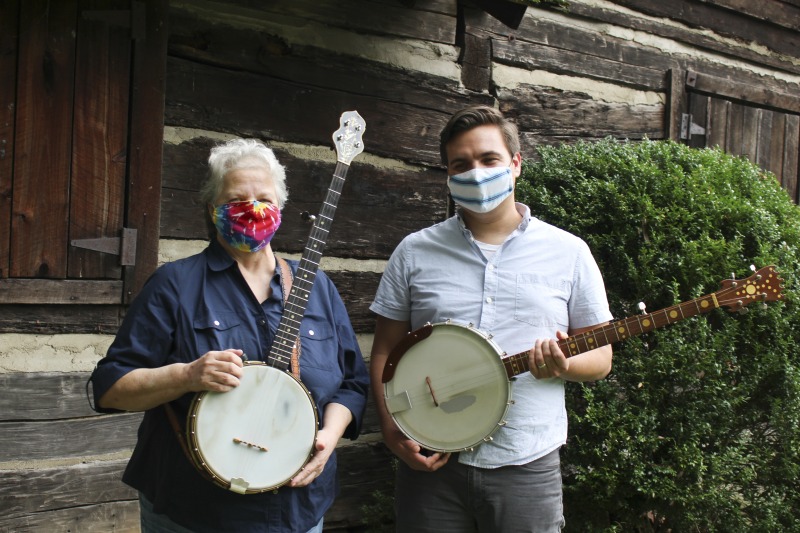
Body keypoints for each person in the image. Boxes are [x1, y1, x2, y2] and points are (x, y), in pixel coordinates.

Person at [90, 138, 369, 533]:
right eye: (238, 199)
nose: (253, 209)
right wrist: (185, 376)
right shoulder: (175, 285)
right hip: (194, 511)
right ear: (212, 209)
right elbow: (109, 387)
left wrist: (328, 437)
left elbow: (352, 383)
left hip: (296, 510)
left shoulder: (316, 286)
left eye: (264, 199)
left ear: (281, 208)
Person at [369, 105, 614, 532]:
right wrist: (393, 431)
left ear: (515, 165)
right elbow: (387, 348)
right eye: (460, 164)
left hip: (526, 462)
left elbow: (602, 355)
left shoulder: (569, 253)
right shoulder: (414, 251)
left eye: (488, 160)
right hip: (432, 462)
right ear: (447, 175)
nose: (475, 173)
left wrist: (567, 364)